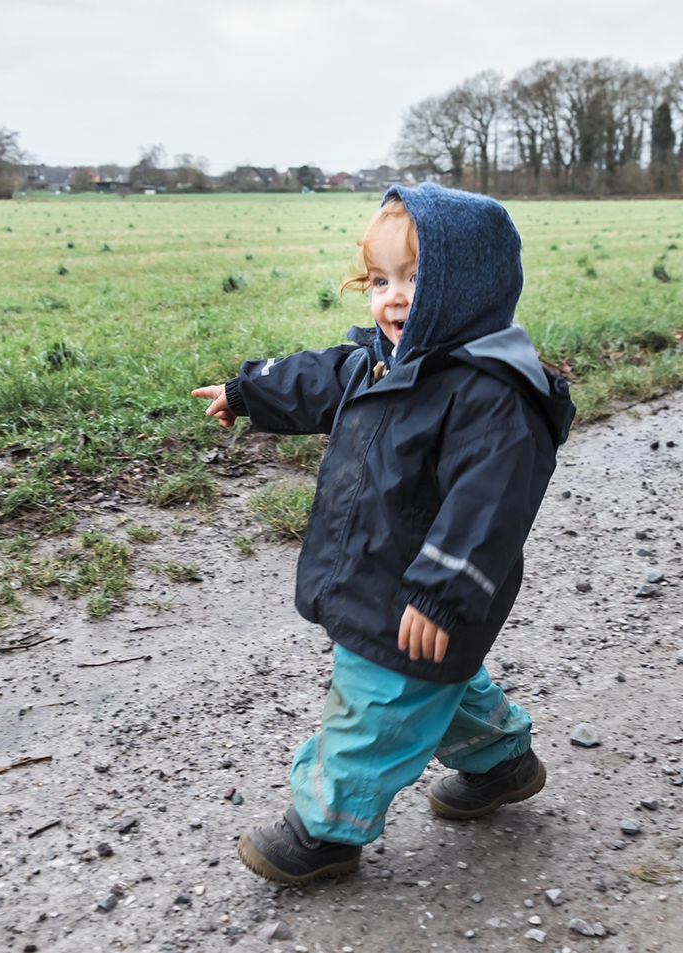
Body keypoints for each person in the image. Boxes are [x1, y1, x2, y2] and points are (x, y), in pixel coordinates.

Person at [191, 183, 575, 884]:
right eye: (379, 280)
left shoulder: (492, 394)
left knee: (375, 703)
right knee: (438, 680)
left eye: (415, 279)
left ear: (471, 287)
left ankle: (326, 830)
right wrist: (248, 393)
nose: (392, 298)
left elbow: (488, 506)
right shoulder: (382, 359)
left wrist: (441, 591)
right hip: (377, 570)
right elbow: (317, 376)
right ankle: (501, 763)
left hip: (427, 585)